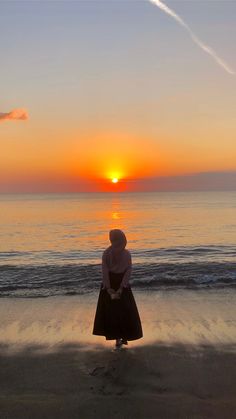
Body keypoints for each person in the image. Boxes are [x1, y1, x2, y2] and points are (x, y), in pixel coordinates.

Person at [92, 229, 143, 348]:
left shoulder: (108, 253)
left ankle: (119, 338)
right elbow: (125, 271)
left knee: (116, 313)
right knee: (121, 313)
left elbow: (107, 272)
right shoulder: (123, 253)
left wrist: (112, 288)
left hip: (115, 284)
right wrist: (117, 288)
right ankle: (121, 338)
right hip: (119, 285)